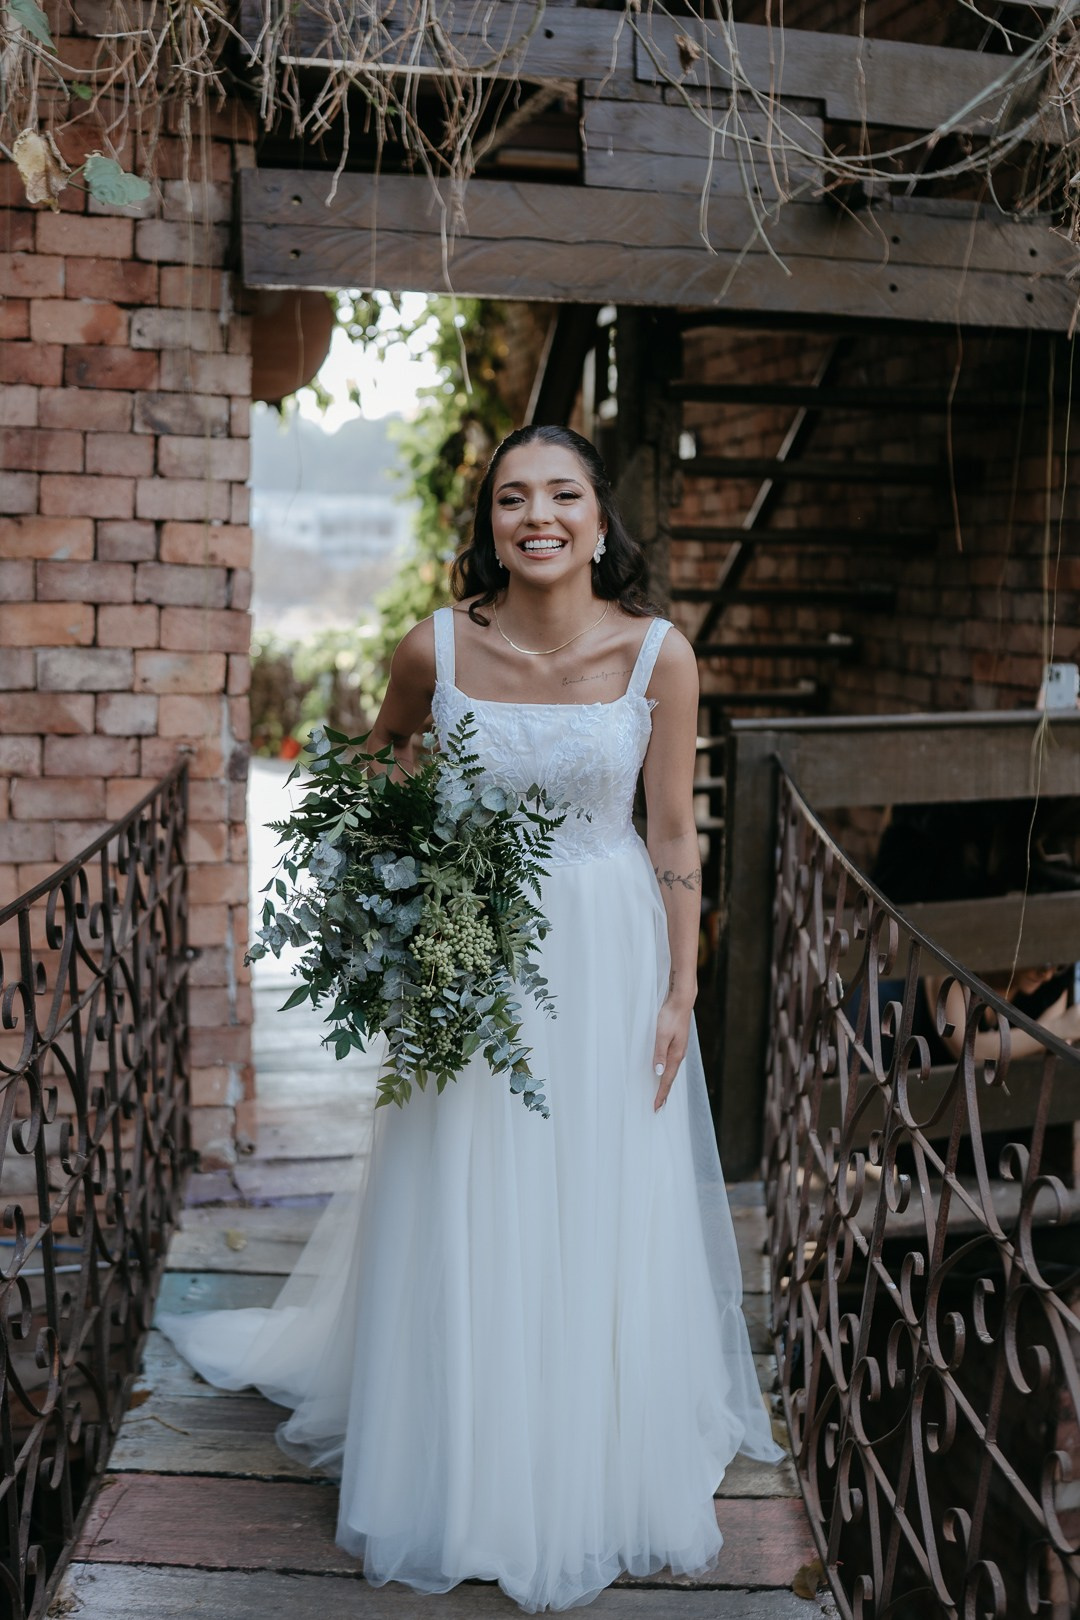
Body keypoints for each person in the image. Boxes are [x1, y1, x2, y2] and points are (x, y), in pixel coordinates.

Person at [158, 424, 782, 1612]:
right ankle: (464, 1447)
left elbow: (669, 831)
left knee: (594, 1181)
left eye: (562, 495)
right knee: (467, 1175)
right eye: (511, 499)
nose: (536, 516)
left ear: (599, 521)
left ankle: (586, 1435)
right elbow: (375, 768)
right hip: (469, 950)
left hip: (606, 946)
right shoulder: (433, 646)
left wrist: (681, 986)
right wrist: (403, 874)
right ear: (489, 524)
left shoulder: (659, 656)